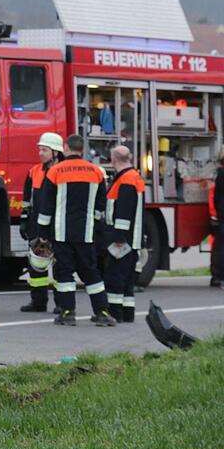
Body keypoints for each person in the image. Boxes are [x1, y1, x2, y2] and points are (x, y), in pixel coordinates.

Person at [36, 134, 116, 327]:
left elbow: (46, 206)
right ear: (82, 150)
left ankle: (67, 312)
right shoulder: (96, 172)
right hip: (86, 233)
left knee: (64, 273)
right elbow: (101, 204)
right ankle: (103, 312)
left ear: (66, 148)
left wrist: (43, 233)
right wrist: (95, 224)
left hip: (62, 232)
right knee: (91, 272)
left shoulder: (55, 171)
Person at [100, 146, 146, 323]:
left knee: (115, 277)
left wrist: (118, 239)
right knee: (127, 280)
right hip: (131, 239)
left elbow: (124, 213)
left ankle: (115, 313)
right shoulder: (132, 177)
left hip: (122, 240)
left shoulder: (126, 180)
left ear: (113, 160)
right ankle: (127, 313)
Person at [19, 132, 63, 312]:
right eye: (40, 149)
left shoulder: (62, 171)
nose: (40, 153)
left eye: (44, 150)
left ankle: (62, 304)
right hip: (36, 224)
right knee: (36, 265)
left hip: (58, 224)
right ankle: (38, 301)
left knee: (61, 265)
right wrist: (23, 219)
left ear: (55, 152)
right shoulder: (34, 172)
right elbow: (26, 199)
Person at [210, 147, 224, 288]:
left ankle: (217, 276)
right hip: (220, 215)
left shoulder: (219, 174)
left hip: (219, 214)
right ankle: (219, 276)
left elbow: (214, 196)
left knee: (219, 246)